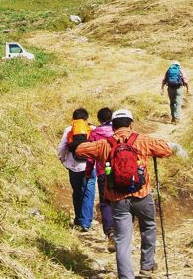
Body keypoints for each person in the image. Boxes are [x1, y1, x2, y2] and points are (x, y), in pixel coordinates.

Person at [74, 109, 174, 279]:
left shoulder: (105, 144)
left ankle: (126, 276)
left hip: (117, 199)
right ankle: (146, 268)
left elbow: (80, 151)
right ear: (130, 124)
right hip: (142, 194)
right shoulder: (141, 140)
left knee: (122, 239)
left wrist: (83, 133)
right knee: (148, 227)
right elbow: (166, 149)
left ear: (113, 126)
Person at [57, 108, 96, 232]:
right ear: (86, 119)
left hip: (73, 166)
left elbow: (62, 147)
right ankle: (86, 222)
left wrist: (62, 159)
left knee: (77, 192)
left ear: (73, 119)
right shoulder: (92, 129)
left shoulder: (69, 129)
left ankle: (78, 219)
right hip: (90, 166)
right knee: (88, 192)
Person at [86, 107, 115, 251]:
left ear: (99, 119)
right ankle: (123, 232)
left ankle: (110, 231)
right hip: (120, 171)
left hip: (103, 172)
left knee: (105, 203)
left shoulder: (95, 133)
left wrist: (87, 171)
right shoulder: (118, 130)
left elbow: (91, 155)